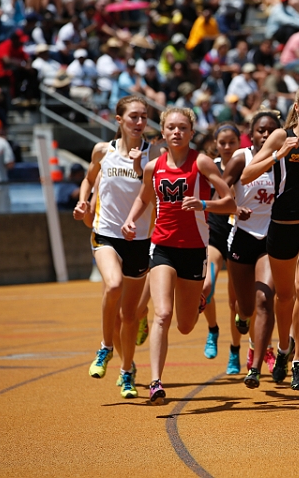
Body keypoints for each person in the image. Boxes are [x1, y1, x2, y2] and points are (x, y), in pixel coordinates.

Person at [121, 107, 236, 405]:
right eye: (171, 127)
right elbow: (144, 197)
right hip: (162, 247)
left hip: (195, 250)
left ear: (191, 132)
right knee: (162, 314)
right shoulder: (152, 166)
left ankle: (199, 299)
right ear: (162, 132)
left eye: (182, 127)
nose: (176, 132)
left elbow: (230, 203)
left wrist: (204, 204)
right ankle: (156, 382)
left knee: (185, 325)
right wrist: (131, 219)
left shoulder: (202, 162)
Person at [241, 82, 299, 390]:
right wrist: (277, 155)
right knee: (283, 297)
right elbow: (246, 175)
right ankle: (284, 348)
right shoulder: (282, 137)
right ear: (296, 106)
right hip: (280, 226)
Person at [73, 96, 156, 399]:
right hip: (106, 232)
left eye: (143, 117)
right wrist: (84, 201)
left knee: (130, 316)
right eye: (133, 116)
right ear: (119, 120)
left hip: (140, 239)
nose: (139, 122)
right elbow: (89, 178)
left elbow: (151, 192)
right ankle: (106, 347)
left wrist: (138, 166)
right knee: (113, 285)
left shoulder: (153, 155)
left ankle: (127, 371)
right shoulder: (102, 151)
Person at [222, 110, 282, 388]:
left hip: (270, 239)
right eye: (261, 130)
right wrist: (235, 207)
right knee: (246, 308)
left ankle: (255, 366)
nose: (266, 135)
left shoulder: (284, 162)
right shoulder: (241, 159)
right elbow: (219, 193)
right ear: (252, 133)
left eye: (271, 130)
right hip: (242, 236)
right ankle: (240, 316)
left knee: (263, 300)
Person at [200, 123, 244, 375]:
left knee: (236, 302)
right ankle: (213, 329)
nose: (227, 147)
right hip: (215, 232)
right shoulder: (209, 167)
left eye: (232, 142)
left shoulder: (249, 163)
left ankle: (235, 349)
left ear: (239, 142)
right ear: (215, 144)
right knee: (205, 287)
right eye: (222, 143)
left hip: (240, 233)